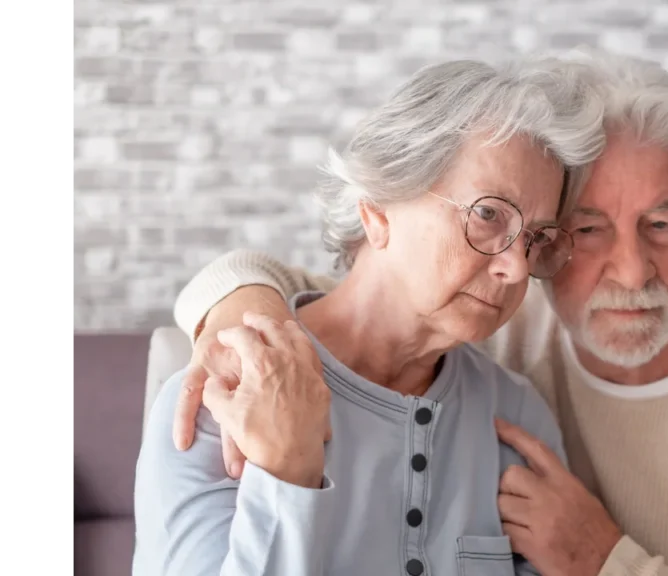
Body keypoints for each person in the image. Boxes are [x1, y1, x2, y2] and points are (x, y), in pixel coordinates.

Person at [170, 51, 668, 576]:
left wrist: (607, 564)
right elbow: (355, 288)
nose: (633, 270)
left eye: (662, 224)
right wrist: (250, 321)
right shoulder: (494, 316)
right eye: (583, 231)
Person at [133, 57, 610, 576]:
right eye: (489, 215)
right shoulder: (222, 399)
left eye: (537, 238)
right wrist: (288, 473)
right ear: (377, 210)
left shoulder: (517, 417)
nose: (517, 267)